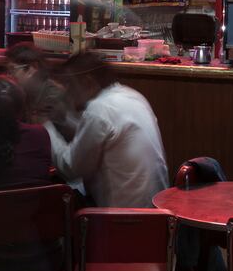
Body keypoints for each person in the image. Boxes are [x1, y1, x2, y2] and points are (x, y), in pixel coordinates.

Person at [44, 52, 169, 208]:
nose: (66, 92)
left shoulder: (99, 110)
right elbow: (94, 138)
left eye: (69, 84)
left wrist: (45, 125)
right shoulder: (132, 96)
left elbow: (71, 167)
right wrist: (62, 120)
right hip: (156, 213)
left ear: (87, 83)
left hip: (122, 219)